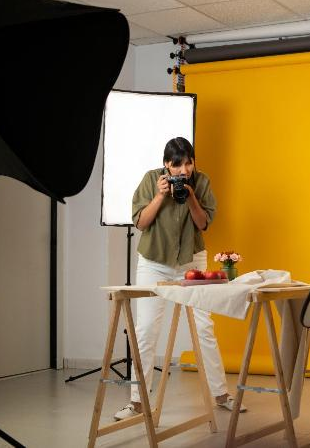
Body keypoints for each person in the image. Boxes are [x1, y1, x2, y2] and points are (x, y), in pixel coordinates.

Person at [114, 137, 246, 421]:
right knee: (147, 329)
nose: (184, 170)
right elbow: (140, 223)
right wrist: (161, 196)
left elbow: (203, 224)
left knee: (204, 327)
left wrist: (190, 196)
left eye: (189, 163)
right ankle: (137, 401)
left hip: (192, 260)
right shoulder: (151, 180)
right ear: (166, 165)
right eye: (177, 165)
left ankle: (221, 394)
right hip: (154, 262)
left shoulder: (202, 181)